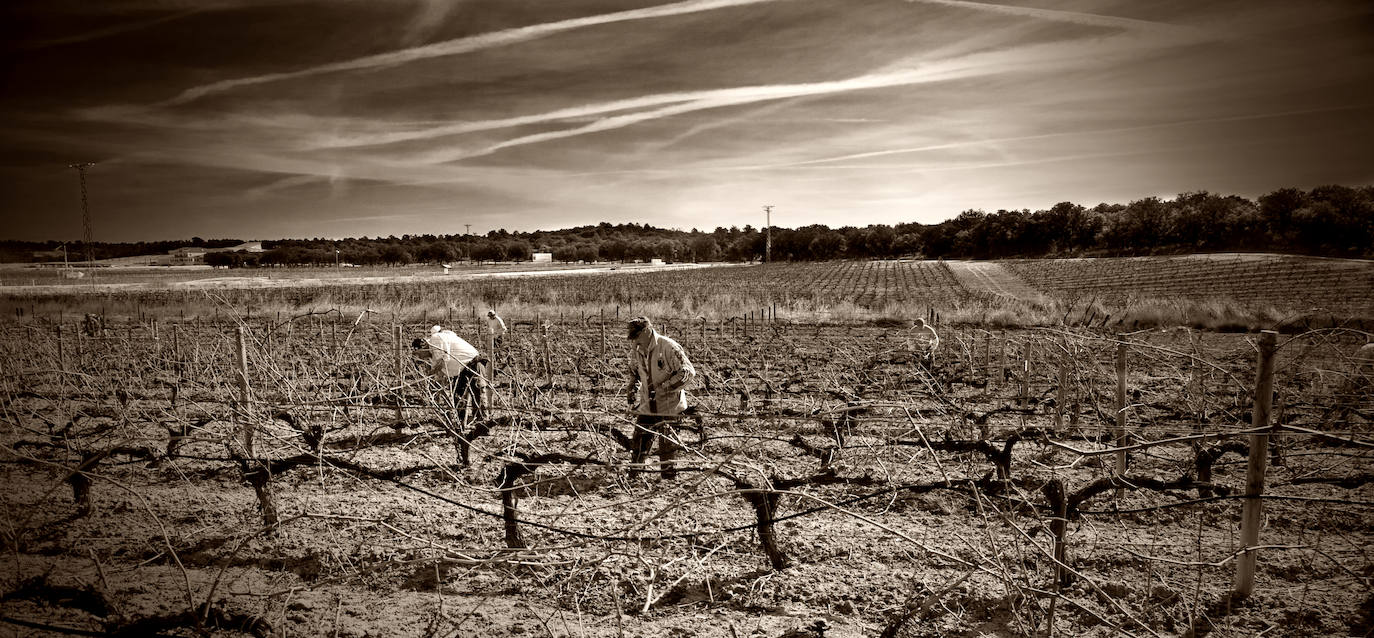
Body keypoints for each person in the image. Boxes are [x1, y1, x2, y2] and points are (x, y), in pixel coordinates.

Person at [623, 316, 696, 479]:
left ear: (647, 331)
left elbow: (688, 372)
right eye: (632, 337)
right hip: (647, 405)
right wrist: (632, 387)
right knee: (639, 442)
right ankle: (635, 476)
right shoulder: (636, 350)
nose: (634, 341)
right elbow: (635, 373)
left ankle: (669, 479)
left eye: (636, 336)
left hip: (670, 406)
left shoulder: (669, 346)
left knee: (667, 446)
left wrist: (667, 387)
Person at [414, 325, 486, 422]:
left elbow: (445, 358)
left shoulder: (436, 338)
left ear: (423, 346)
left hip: (473, 364)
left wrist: (431, 373)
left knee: (478, 394)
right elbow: (440, 376)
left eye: (419, 354)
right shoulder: (434, 356)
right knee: (458, 397)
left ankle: (482, 424)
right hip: (460, 371)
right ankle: (461, 424)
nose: (421, 358)